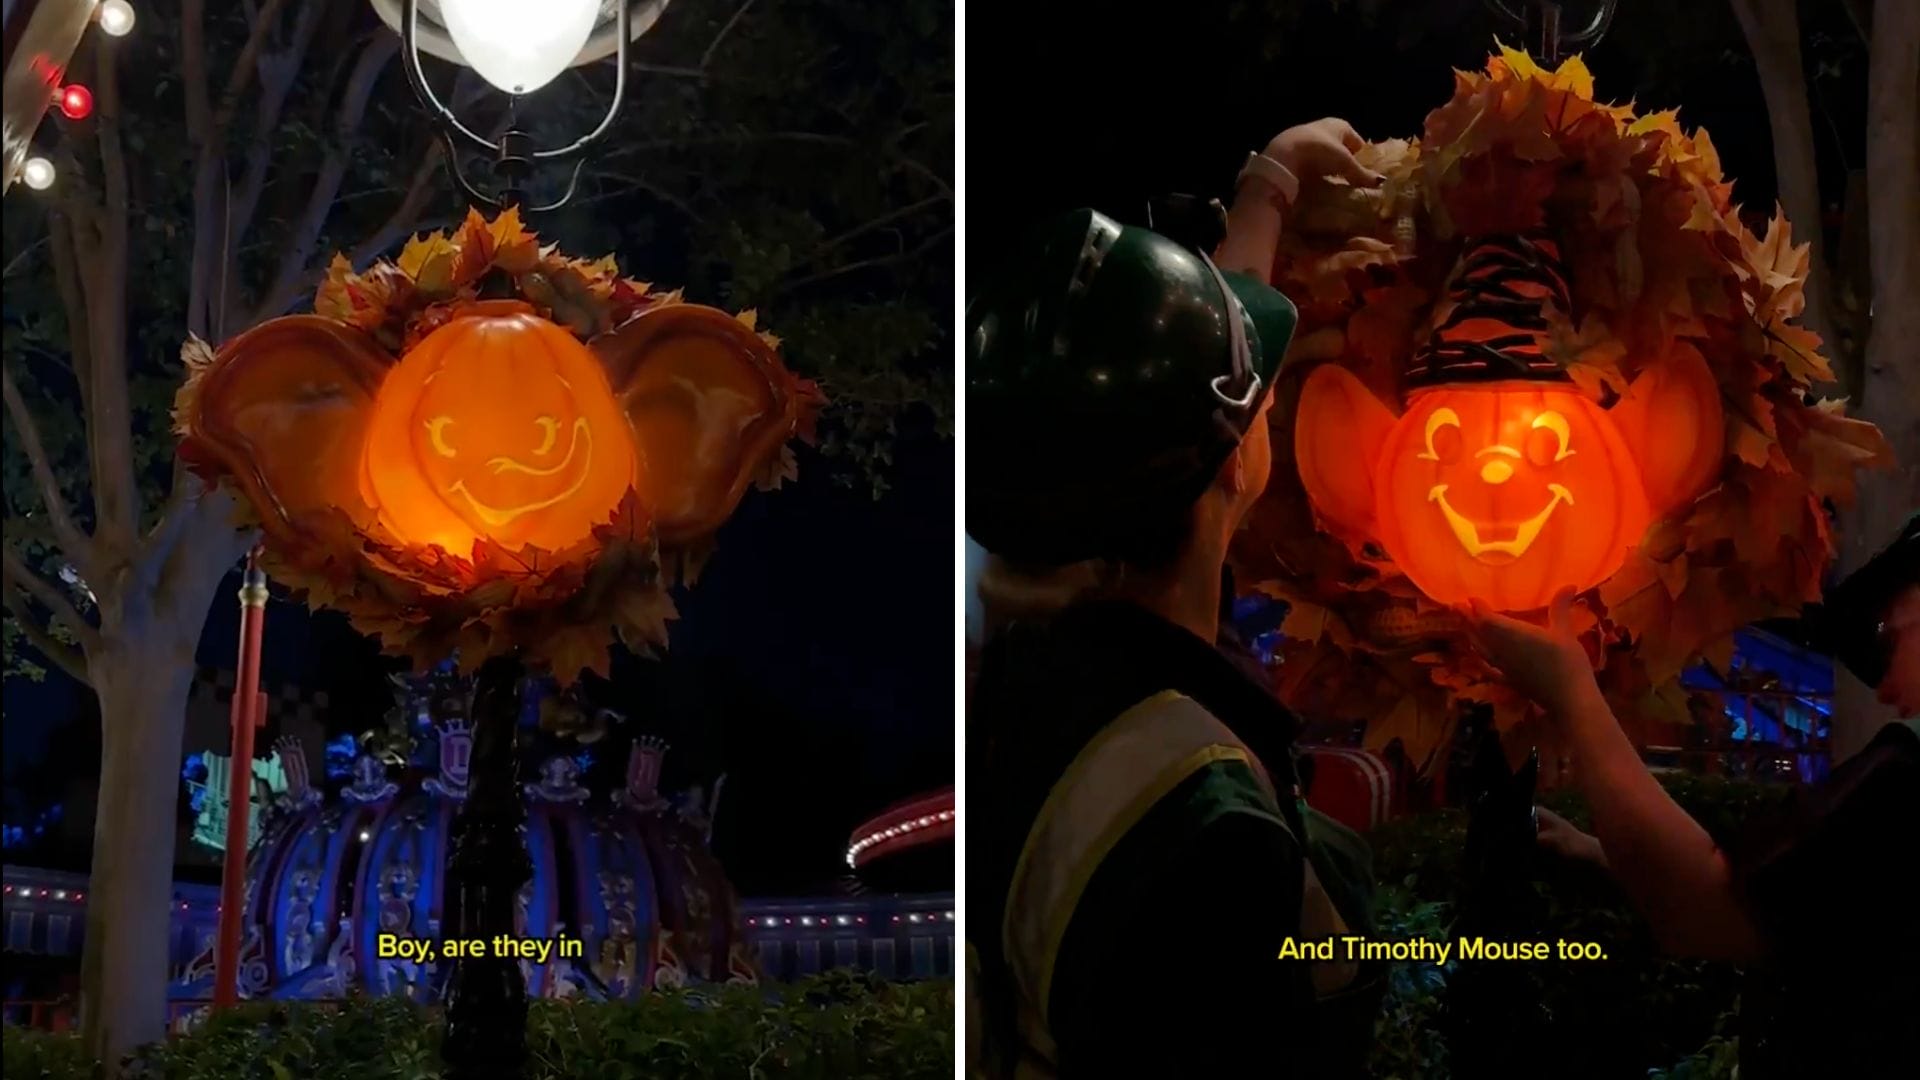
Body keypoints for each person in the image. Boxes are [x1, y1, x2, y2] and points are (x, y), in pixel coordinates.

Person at [966, 118, 1388, 1079]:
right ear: (1234, 463)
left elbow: (1198, 392)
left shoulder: (1037, 665)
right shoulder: (1201, 821)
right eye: (1260, 403)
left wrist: (1271, 183)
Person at [1466, 515, 1920, 1079]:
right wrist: (1603, 855)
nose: (1884, 689)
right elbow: (1800, 908)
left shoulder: (1903, 783)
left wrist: (1571, 693)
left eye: (1883, 640)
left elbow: (1707, 913)